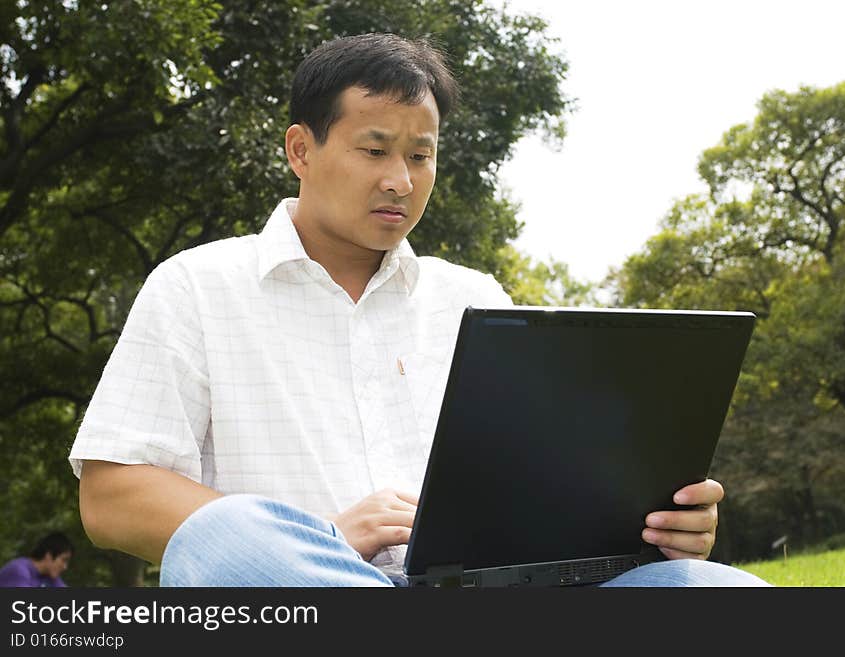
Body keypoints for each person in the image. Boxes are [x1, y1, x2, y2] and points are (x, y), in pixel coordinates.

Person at [69, 33, 769, 587]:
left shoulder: (475, 297)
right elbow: (111, 497)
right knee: (228, 540)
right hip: (306, 589)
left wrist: (655, 522)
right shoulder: (196, 286)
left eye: (421, 156)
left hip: (508, 590)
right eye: (374, 149)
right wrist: (323, 537)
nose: (400, 181)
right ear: (300, 150)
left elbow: (544, 489)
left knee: (707, 586)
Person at [0, 532, 73, 587]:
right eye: (63, 560)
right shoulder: (19, 570)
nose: (65, 567)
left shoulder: (50, 577)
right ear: (49, 556)